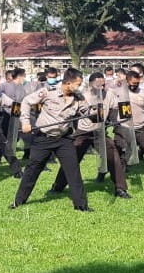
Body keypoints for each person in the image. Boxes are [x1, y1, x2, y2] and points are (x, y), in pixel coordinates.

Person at [11, 68, 94, 212]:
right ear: (68, 83)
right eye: (78, 84)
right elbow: (25, 102)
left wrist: (96, 112)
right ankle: (19, 201)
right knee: (33, 169)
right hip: (44, 138)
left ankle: (81, 206)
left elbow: (87, 112)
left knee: (73, 170)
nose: (79, 87)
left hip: (64, 139)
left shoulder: (78, 97)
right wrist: (25, 122)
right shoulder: (48, 92)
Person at [49, 72, 131, 199]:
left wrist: (113, 121)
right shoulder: (83, 96)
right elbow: (73, 115)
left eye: (103, 85)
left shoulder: (109, 94)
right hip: (83, 132)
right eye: (98, 85)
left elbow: (114, 110)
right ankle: (58, 186)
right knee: (71, 159)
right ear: (90, 84)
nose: (101, 88)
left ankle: (120, 188)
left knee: (113, 156)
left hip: (100, 132)